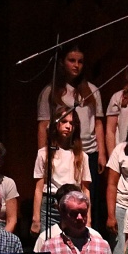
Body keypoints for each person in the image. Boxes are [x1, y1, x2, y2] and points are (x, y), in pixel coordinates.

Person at [36, 46, 107, 221]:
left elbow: (98, 122)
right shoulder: (50, 91)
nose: (76, 65)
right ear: (62, 63)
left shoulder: (92, 90)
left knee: (86, 198)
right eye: (72, 60)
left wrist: (102, 153)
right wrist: (45, 151)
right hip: (59, 150)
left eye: (80, 61)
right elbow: (43, 124)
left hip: (87, 152)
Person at [32, 105, 92, 236]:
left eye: (71, 123)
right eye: (64, 122)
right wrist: (36, 218)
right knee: (49, 244)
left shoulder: (82, 156)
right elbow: (38, 188)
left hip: (74, 205)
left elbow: (85, 189)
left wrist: (89, 218)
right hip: (51, 205)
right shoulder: (44, 154)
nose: (68, 126)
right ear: (56, 125)